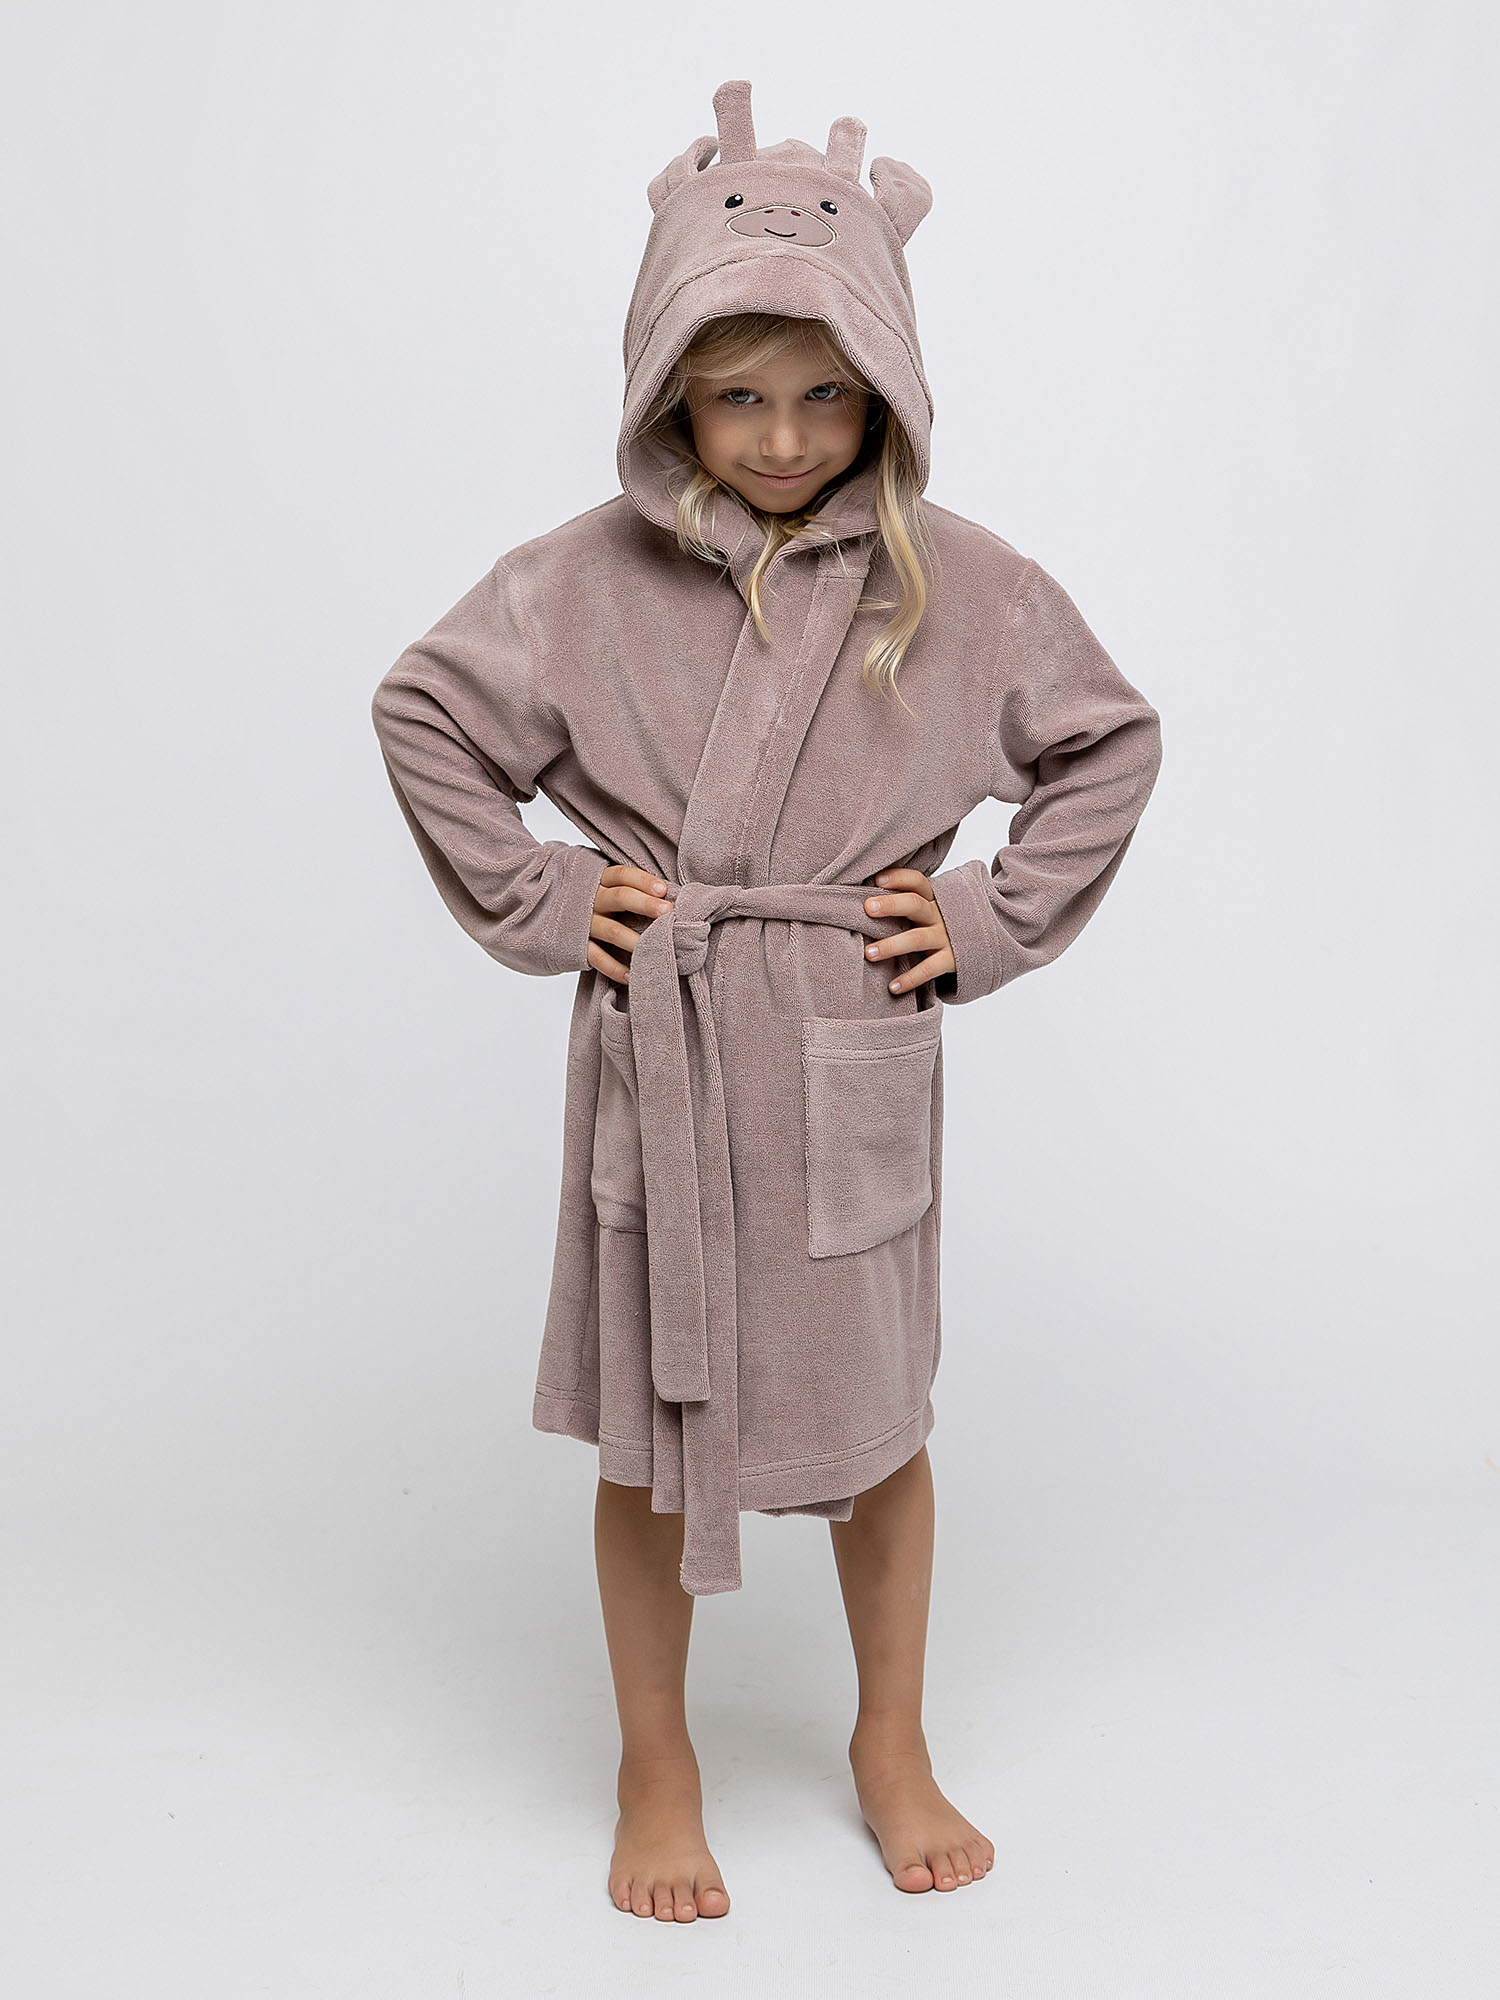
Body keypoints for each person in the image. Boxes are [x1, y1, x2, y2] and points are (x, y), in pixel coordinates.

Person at [371, 78, 1163, 1923]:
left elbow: (1109, 742)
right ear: (668, 389)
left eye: (826, 394)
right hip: (667, 1052)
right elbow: (425, 709)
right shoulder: (576, 582)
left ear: (887, 385)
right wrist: (546, 894)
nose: (786, 438)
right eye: (738, 397)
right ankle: (657, 1758)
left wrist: (983, 920)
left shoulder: (965, 588)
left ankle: (891, 1740)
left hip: (839, 1047)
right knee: (651, 1442)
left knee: (880, 1439)